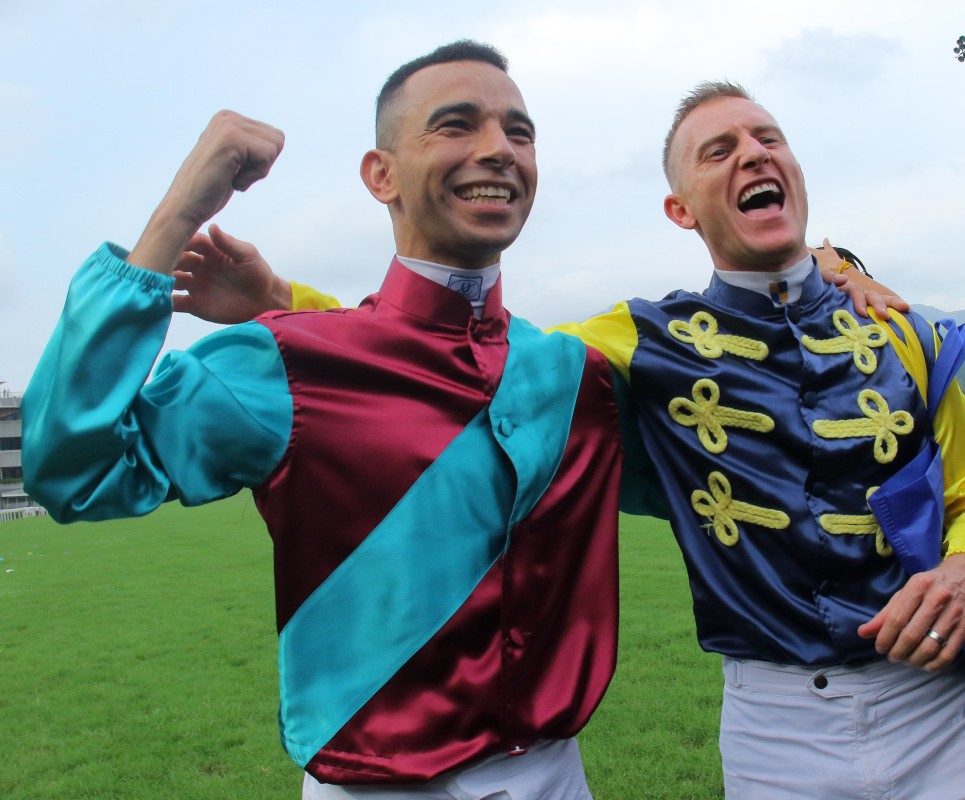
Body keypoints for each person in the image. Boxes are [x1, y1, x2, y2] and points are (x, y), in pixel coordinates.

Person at [202, 82, 965, 797]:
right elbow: (461, 370)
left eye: (768, 139)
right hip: (777, 725)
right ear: (680, 209)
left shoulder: (903, 333)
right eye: (719, 151)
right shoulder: (643, 340)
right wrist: (282, 296)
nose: (752, 155)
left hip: (938, 707)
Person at [22, 41, 630, 800]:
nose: (498, 151)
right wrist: (179, 212)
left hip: (558, 777)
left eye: (520, 131)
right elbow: (71, 472)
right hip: (374, 785)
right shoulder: (279, 363)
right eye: (456, 125)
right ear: (381, 175)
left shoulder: (578, 376)